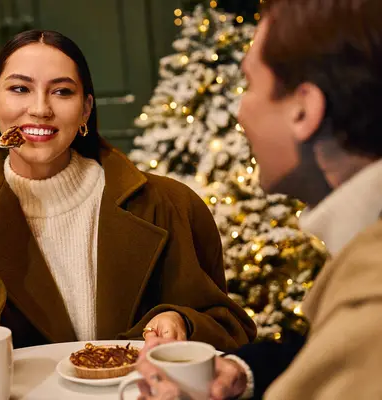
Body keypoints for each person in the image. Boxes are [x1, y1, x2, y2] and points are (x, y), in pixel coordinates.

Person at [0, 30, 256, 372]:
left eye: (62, 92)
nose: (39, 109)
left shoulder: (170, 205)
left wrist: (182, 323)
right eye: (20, 88)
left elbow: (230, 330)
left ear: (86, 110)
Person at [134, 0, 382, 399]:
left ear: (304, 110)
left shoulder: (372, 306)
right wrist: (239, 371)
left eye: (249, 84)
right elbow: (319, 353)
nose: (240, 113)